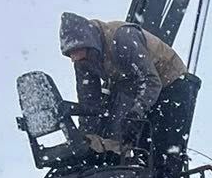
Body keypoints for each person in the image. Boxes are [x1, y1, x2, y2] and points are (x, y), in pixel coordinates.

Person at [59, 12, 186, 150]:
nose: (73, 58)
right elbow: (88, 101)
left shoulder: (122, 38)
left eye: (75, 51)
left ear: (88, 42)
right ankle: (119, 155)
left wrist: (136, 113)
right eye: (69, 54)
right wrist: (85, 137)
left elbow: (151, 81)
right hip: (131, 82)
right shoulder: (82, 60)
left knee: (161, 145)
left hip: (172, 80)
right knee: (118, 129)